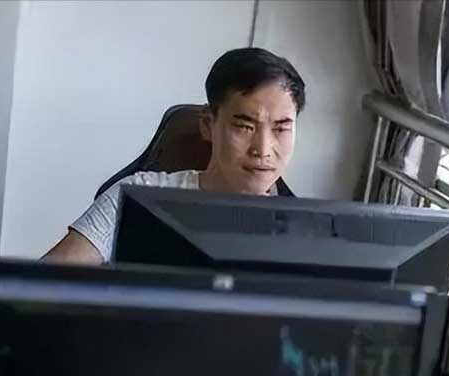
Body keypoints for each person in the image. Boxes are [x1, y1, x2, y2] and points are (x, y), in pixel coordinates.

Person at [42, 47, 306, 264]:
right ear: (208, 124)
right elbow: (45, 285)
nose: (263, 149)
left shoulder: (306, 231)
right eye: (244, 127)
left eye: (281, 128)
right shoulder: (139, 195)